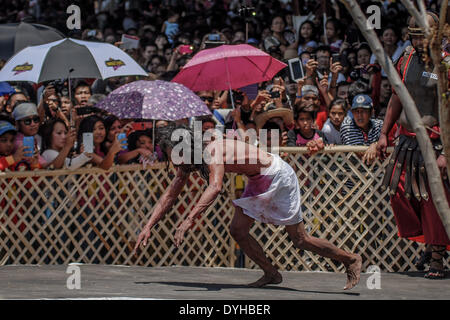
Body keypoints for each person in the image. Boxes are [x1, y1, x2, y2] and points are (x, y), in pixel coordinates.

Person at [134, 124, 362, 290]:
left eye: (175, 155)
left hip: (276, 176)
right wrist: (148, 225)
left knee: (300, 240)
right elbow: (169, 194)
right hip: (257, 180)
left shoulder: (211, 150)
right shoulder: (188, 160)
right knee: (238, 230)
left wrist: (190, 218)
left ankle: (350, 259)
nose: (174, 162)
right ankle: (271, 273)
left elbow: (215, 187)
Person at [376, 12, 450, 279]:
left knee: (432, 201)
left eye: (424, 36)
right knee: (399, 195)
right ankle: (431, 243)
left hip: (435, 143)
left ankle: (438, 257)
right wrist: (384, 133)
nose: (419, 42)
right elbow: (397, 98)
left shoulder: (447, 64)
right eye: (415, 35)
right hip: (406, 141)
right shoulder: (405, 59)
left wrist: (447, 154)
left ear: (437, 35)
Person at [341, 94, 383, 164]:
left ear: (371, 112)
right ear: (352, 112)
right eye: (356, 111)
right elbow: (359, 155)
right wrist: (374, 146)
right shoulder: (347, 127)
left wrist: (375, 145)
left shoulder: (379, 125)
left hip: (378, 170)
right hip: (353, 171)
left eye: (364, 111)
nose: (359, 115)